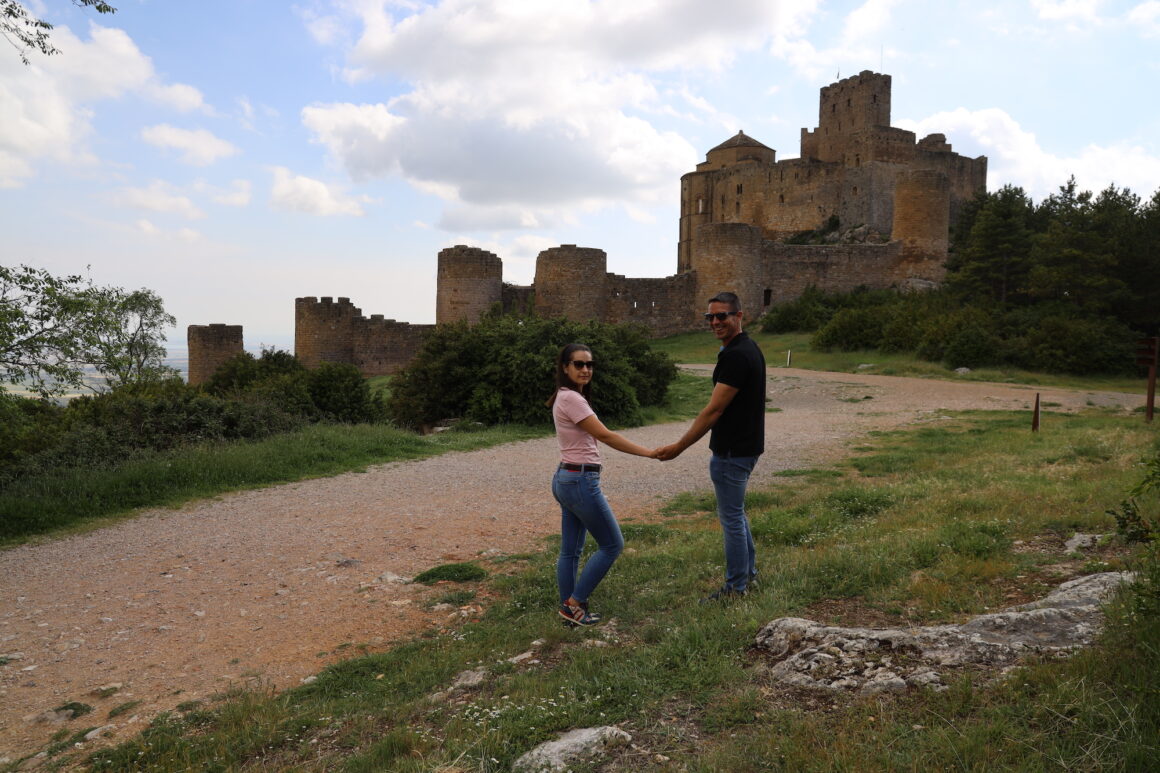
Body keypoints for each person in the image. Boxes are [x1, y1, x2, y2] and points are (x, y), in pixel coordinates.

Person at [656, 291, 766, 601]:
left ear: (739, 316)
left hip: (732, 450)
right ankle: (748, 577)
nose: (715, 322)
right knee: (737, 514)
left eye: (722, 316)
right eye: (710, 317)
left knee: (731, 518)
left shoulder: (736, 355)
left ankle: (735, 588)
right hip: (746, 446)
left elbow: (713, 410)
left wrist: (680, 445)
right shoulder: (748, 347)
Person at [549, 343, 657, 626]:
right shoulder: (572, 399)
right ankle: (574, 604)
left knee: (570, 551)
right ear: (565, 367)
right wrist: (649, 452)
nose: (586, 369)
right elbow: (606, 436)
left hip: (566, 477)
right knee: (612, 545)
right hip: (580, 480)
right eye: (579, 364)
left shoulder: (565, 396)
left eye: (589, 364)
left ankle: (568, 611)